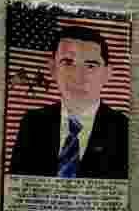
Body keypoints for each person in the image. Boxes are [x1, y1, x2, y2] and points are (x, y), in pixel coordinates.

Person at [8, 25, 129, 179]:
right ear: (52, 68)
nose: (78, 76)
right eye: (68, 62)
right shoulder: (33, 123)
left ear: (107, 73)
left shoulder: (124, 129)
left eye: (90, 65)